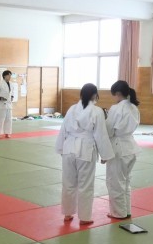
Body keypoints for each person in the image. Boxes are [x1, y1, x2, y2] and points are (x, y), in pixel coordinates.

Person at [55, 83, 114, 225]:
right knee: (85, 185)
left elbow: (63, 130)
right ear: (95, 95)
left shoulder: (71, 109)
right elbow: (100, 134)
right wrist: (105, 155)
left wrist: (60, 148)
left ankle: (67, 213)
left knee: (68, 183)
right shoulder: (97, 111)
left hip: (69, 148)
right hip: (85, 150)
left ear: (81, 94)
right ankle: (84, 217)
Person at [104, 80, 140, 220]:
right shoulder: (134, 108)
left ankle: (118, 213)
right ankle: (126, 210)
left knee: (115, 182)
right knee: (125, 182)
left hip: (118, 149)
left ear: (118, 93)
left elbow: (109, 130)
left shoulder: (116, 108)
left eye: (114, 94)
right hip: (131, 147)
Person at [0, 70, 14, 138]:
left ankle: (7, 133)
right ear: (5, 76)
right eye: (9, 75)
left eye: (10, 75)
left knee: (9, 119)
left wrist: (12, 96)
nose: (10, 77)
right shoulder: (0, 84)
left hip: (9, 104)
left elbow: (12, 92)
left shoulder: (11, 84)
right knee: (0, 119)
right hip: (2, 104)